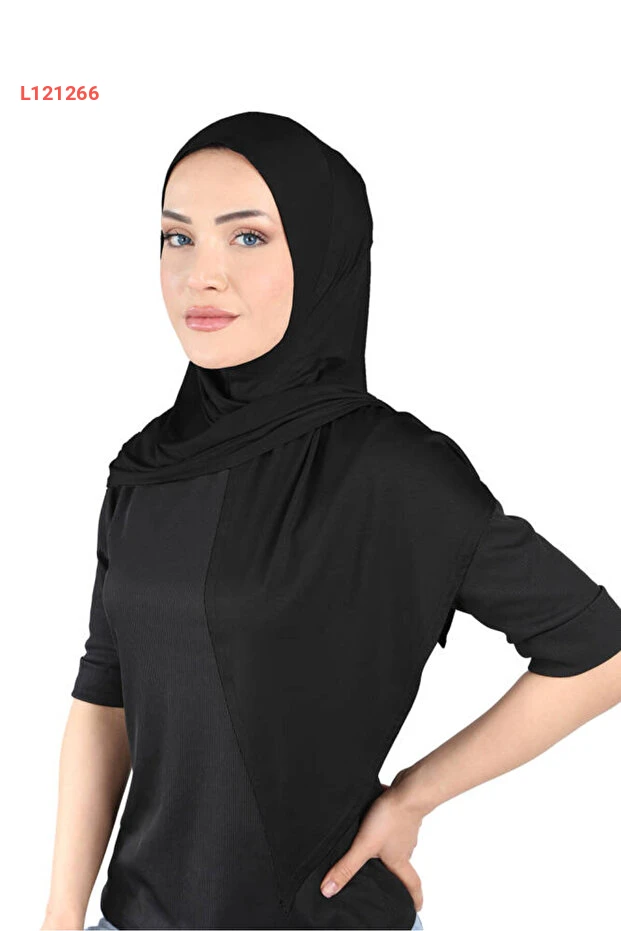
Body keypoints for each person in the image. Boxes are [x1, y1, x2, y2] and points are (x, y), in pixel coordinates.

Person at [41, 111, 621, 931]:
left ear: (321, 254)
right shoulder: (146, 467)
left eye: (247, 238)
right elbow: (105, 695)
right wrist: (61, 913)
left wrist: (412, 796)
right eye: (177, 239)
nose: (201, 275)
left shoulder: (392, 470)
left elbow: (597, 650)